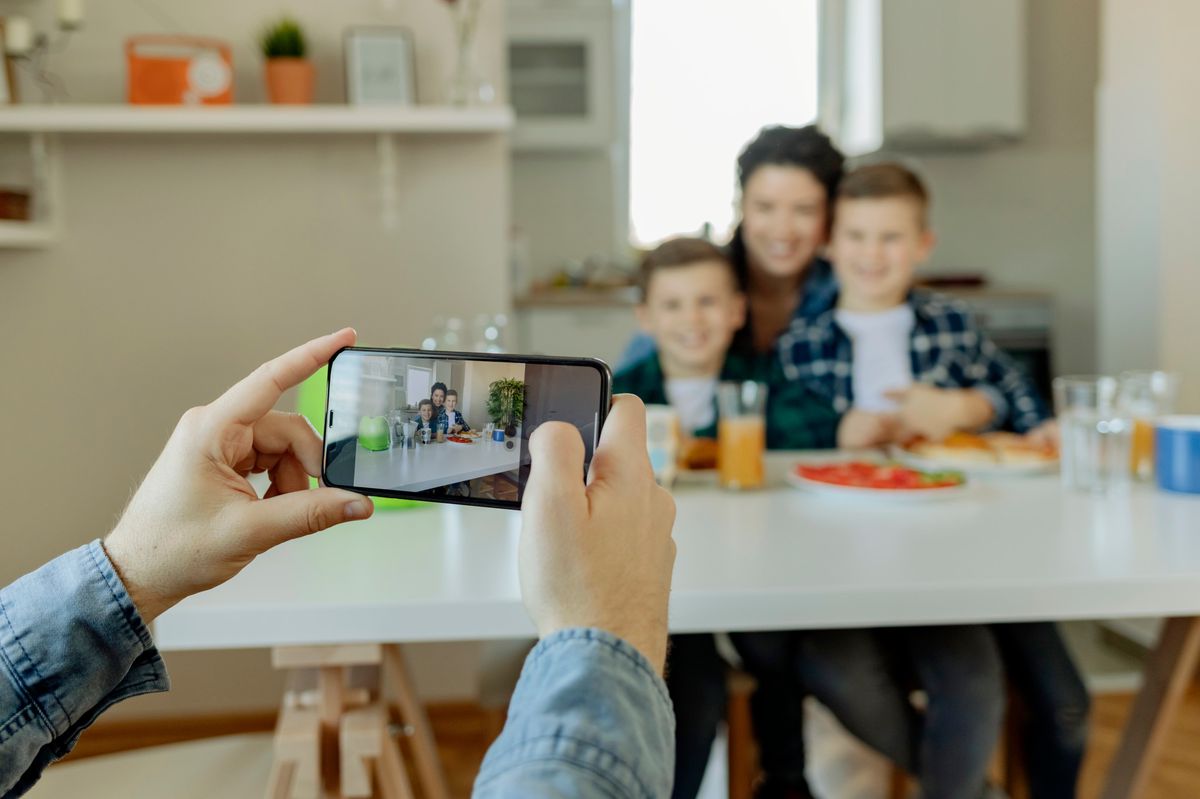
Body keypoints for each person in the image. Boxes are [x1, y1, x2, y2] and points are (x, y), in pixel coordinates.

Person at [0, 329, 678, 799]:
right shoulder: (423, 413)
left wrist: (128, 571)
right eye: (439, 398)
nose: (442, 402)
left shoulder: (446, 417)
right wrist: (607, 630)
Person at [780, 162, 1089, 798]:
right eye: (857, 236)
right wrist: (841, 429)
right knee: (850, 672)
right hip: (838, 554)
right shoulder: (800, 341)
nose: (872, 254)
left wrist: (966, 409)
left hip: (949, 552)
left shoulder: (948, 322)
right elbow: (780, 435)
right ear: (830, 245)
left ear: (923, 246)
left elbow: (1011, 391)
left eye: (891, 238)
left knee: (980, 681)